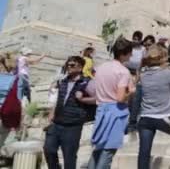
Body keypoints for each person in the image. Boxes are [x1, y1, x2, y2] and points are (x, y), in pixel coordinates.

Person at [137, 44, 170, 169]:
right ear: (163, 57)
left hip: (144, 118)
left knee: (144, 153)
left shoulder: (143, 74)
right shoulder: (167, 73)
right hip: (163, 117)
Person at [87, 36, 135, 169]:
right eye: (130, 52)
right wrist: (131, 92)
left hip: (101, 110)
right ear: (124, 53)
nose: (132, 54)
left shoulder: (101, 68)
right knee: (108, 152)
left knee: (98, 150)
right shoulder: (123, 71)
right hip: (116, 113)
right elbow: (120, 98)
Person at [43, 56, 96, 169]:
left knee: (69, 157)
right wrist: (51, 115)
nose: (69, 67)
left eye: (72, 65)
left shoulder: (87, 82)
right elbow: (56, 99)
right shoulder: (62, 81)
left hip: (73, 126)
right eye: (68, 65)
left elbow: (98, 99)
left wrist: (83, 99)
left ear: (80, 67)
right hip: (56, 123)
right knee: (49, 149)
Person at [126, 31, 146, 133]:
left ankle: (132, 123)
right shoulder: (128, 47)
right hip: (126, 72)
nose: (135, 40)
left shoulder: (143, 49)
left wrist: (137, 76)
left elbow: (143, 63)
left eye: (137, 39)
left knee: (135, 98)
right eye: (134, 38)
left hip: (137, 74)